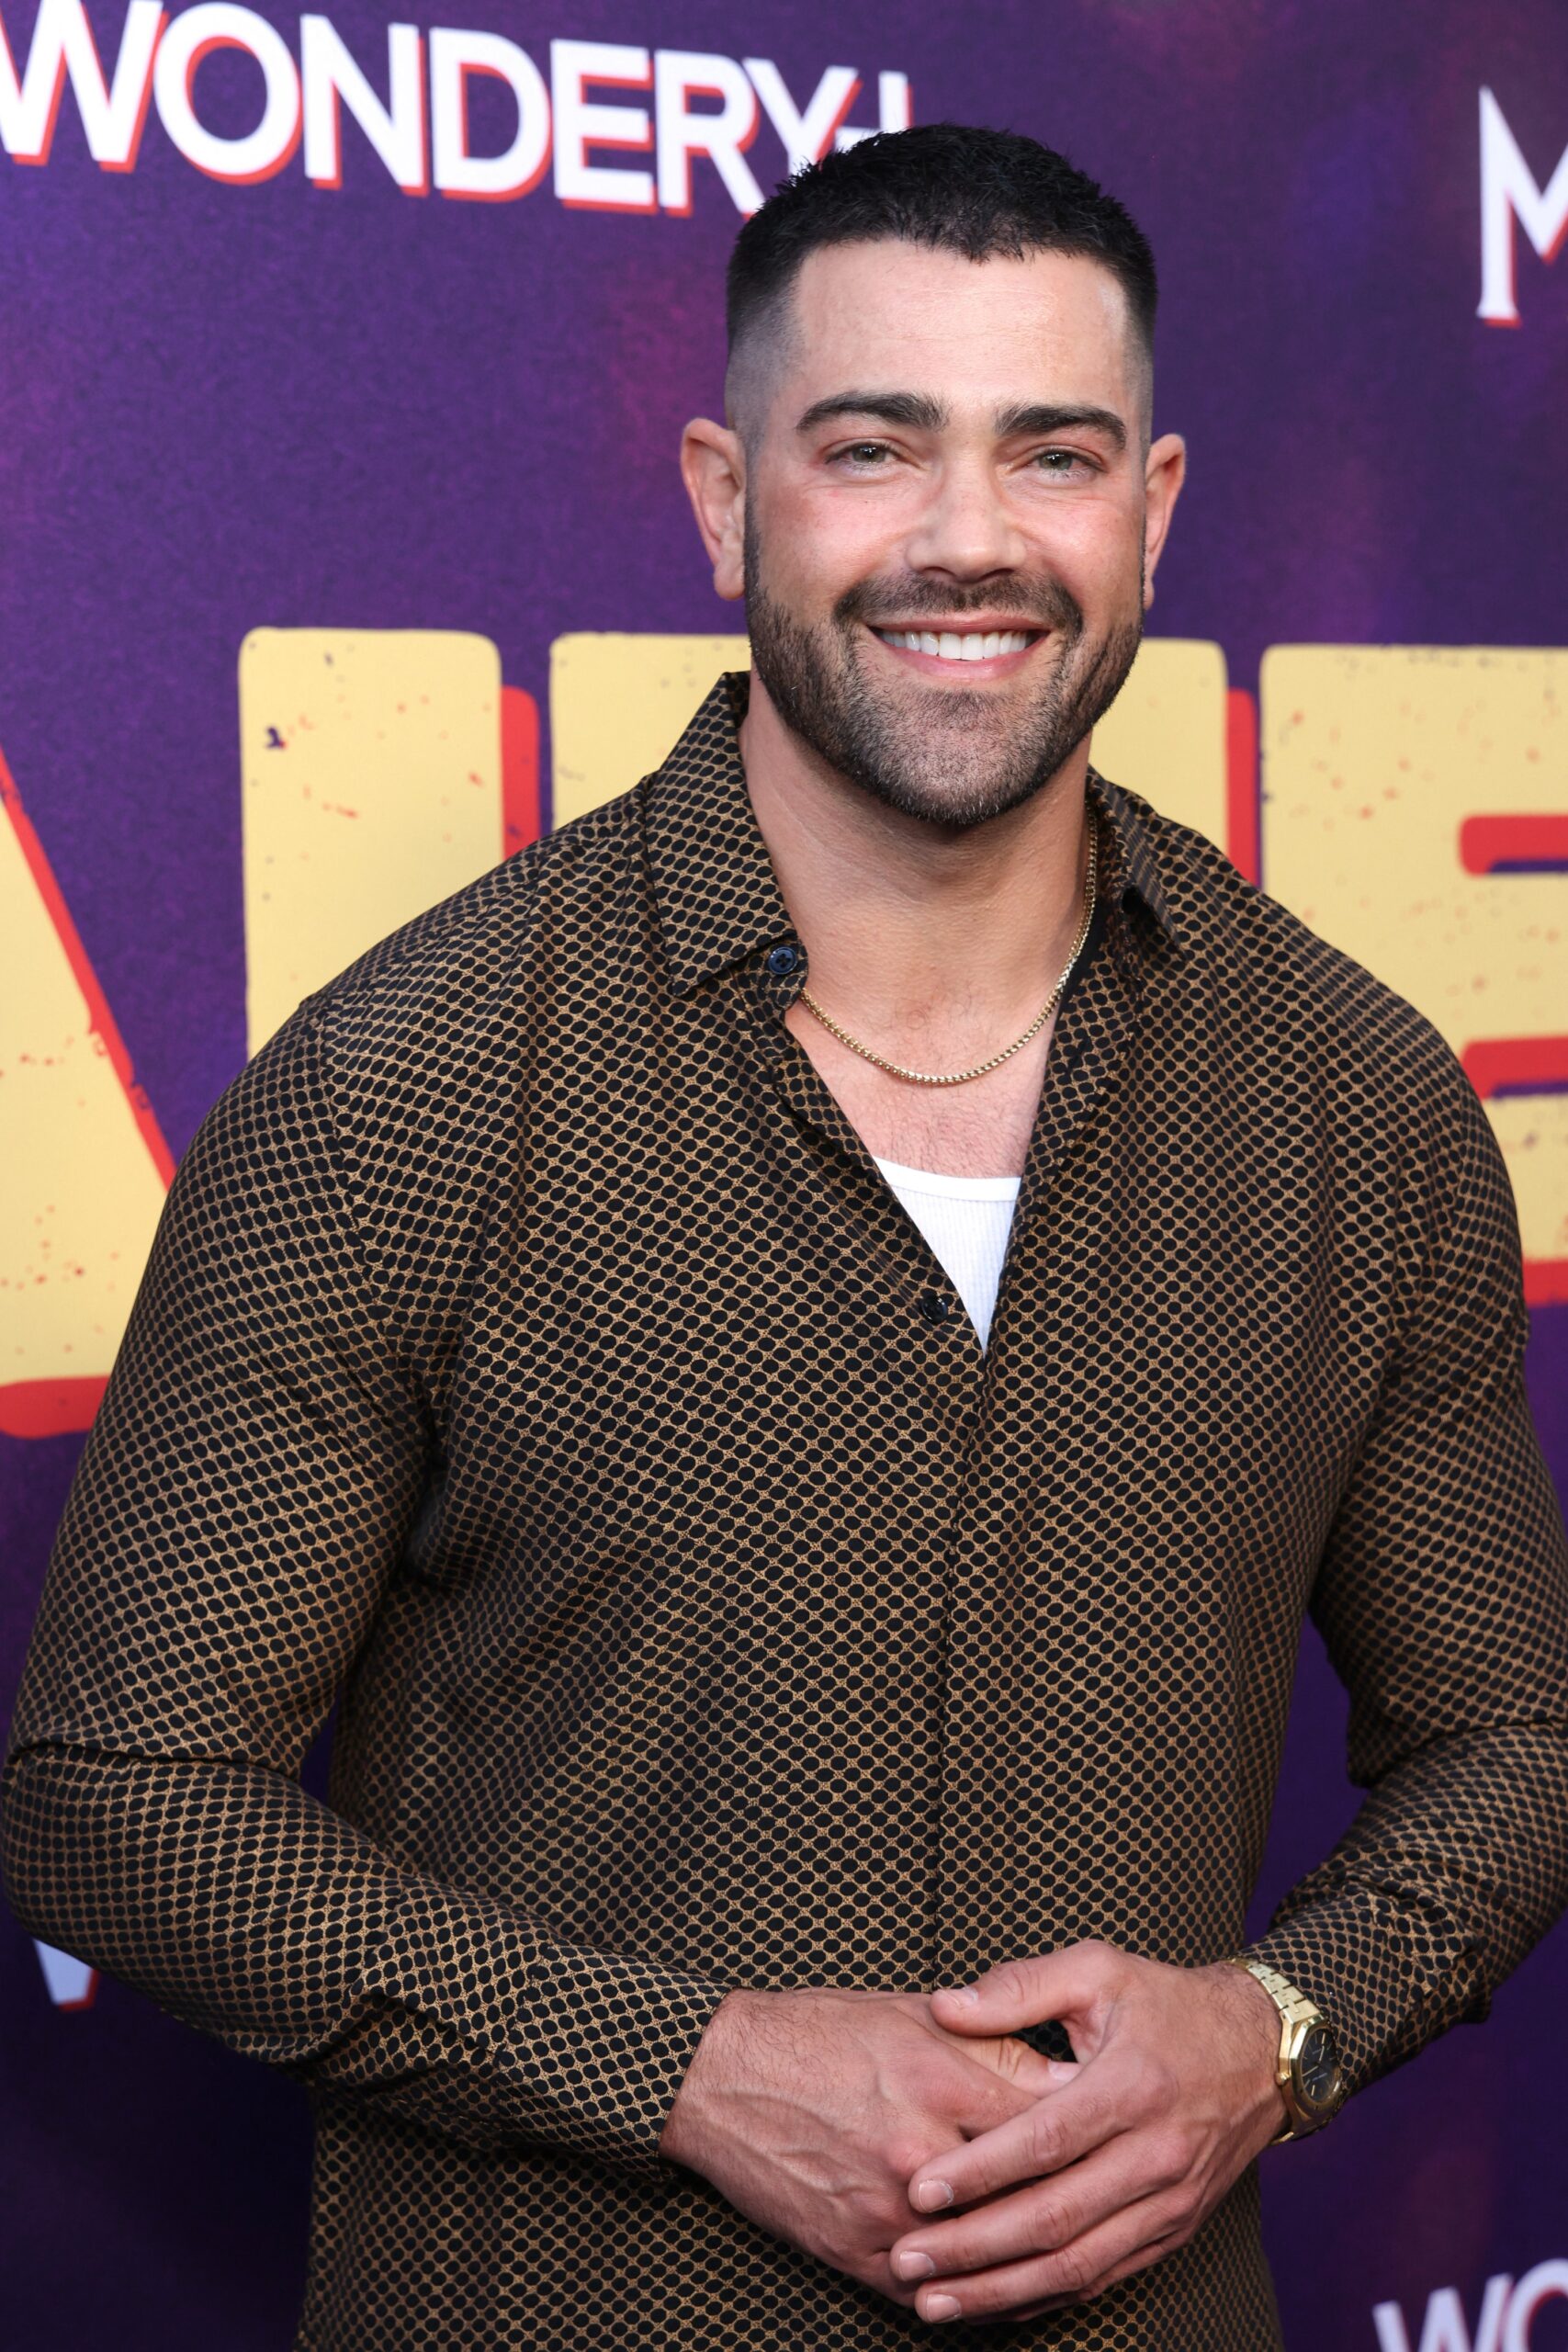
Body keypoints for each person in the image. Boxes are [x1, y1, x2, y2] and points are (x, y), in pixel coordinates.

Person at [5, 121, 1566, 2352]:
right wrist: (685, 2067)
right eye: (871, 447)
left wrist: (1280, 2022)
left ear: (1151, 509)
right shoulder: (409, 1088)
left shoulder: (1353, 1098)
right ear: (726, 498)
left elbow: (1512, 1739)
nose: (967, 537)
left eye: (1050, 454)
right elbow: (116, 1798)